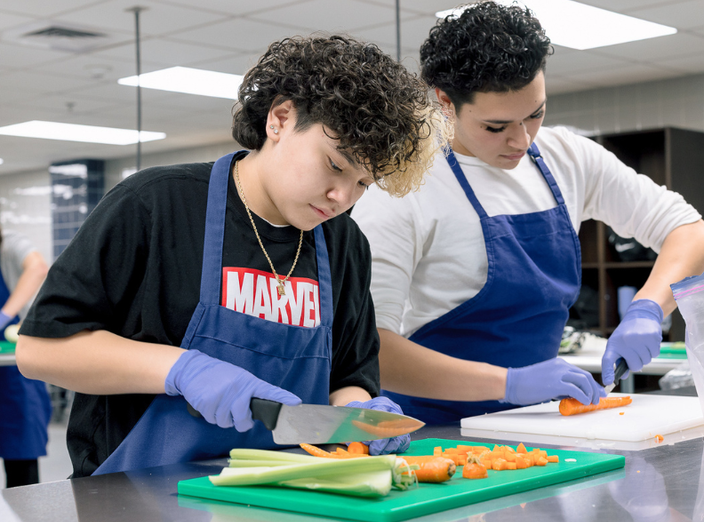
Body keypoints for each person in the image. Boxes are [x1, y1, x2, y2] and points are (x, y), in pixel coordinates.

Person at [16, 35, 447, 477]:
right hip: (135, 497)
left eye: (363, 183)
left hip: (289, 493)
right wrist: (182, 369)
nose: (342, 197)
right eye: (335, 165)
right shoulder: (156, 204)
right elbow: (40, 349)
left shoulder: (344, 243)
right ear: (280, 119)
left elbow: (349, 375)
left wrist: (361, 417)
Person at [351, 1, 704, 424]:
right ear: (444, 101)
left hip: (544, 425)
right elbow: (372, 348)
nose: (522, 140)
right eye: (496, 126)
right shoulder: (402, 186)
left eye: (536, 113)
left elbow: (691, 233)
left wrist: (649, 308)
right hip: (438, 433)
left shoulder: (569, 158)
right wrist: (508, 383)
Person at [0, 227, 50, 487]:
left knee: (21, 451)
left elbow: (38, 268)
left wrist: (5, 315)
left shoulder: (9, 245)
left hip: (15, 374)